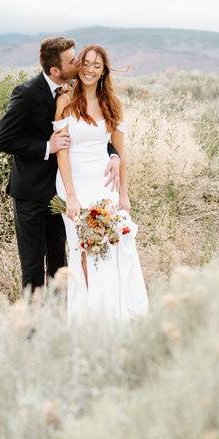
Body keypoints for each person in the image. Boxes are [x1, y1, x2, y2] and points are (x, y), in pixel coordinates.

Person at [0, 37, 121, 293]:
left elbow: (90, 132)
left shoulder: (74, 90)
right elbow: (3, 139)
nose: (79, 63)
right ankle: (31, 329)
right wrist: (46, 147)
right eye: (73, 60)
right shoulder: (27, 93)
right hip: (30, 194)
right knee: (32, 265)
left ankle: (57, 322)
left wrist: (113, 154)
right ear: (55, 70)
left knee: (59, 263)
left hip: (61, 192)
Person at [53, 44, 149, 323]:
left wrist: (124, 193)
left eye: (97, 65)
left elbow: (120, 151)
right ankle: (89, 315)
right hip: (74, 182)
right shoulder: (66, 101)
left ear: (104, 70)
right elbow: (63, 151)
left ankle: (113, 313)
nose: (90, 69)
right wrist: (70, 195)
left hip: (104, 181)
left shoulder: (112, 104)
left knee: (113, 244)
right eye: (86, 63)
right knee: (83, 246)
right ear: (79, 65)